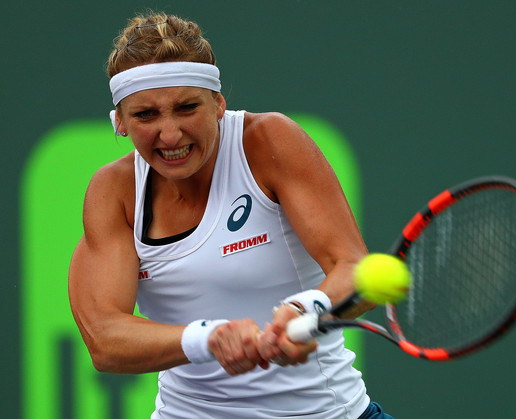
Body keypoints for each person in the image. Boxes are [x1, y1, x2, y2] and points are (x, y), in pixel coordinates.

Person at [68, 11, 394, 418]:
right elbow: (105, 339)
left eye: (187, 108)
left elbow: (352, 267)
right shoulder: (112, 192)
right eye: (146, 115)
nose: (170, 135)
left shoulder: (268, 142)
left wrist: (304, 309)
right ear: (119, 122)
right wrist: (210, 338)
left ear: (218, 104)